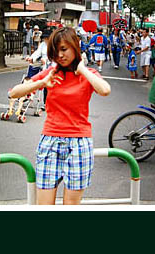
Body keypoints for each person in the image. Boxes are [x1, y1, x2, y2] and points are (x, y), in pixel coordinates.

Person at [8, 27, 111, 205]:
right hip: (51, 140)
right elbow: (14, 93)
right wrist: (42, 82)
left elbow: (105, 90)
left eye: (64, 49)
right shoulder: (51, 73)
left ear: (75, 47)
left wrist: (82, 69)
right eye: (56, 52)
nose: (60, 55)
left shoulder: (88, 75)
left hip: (79, 142)